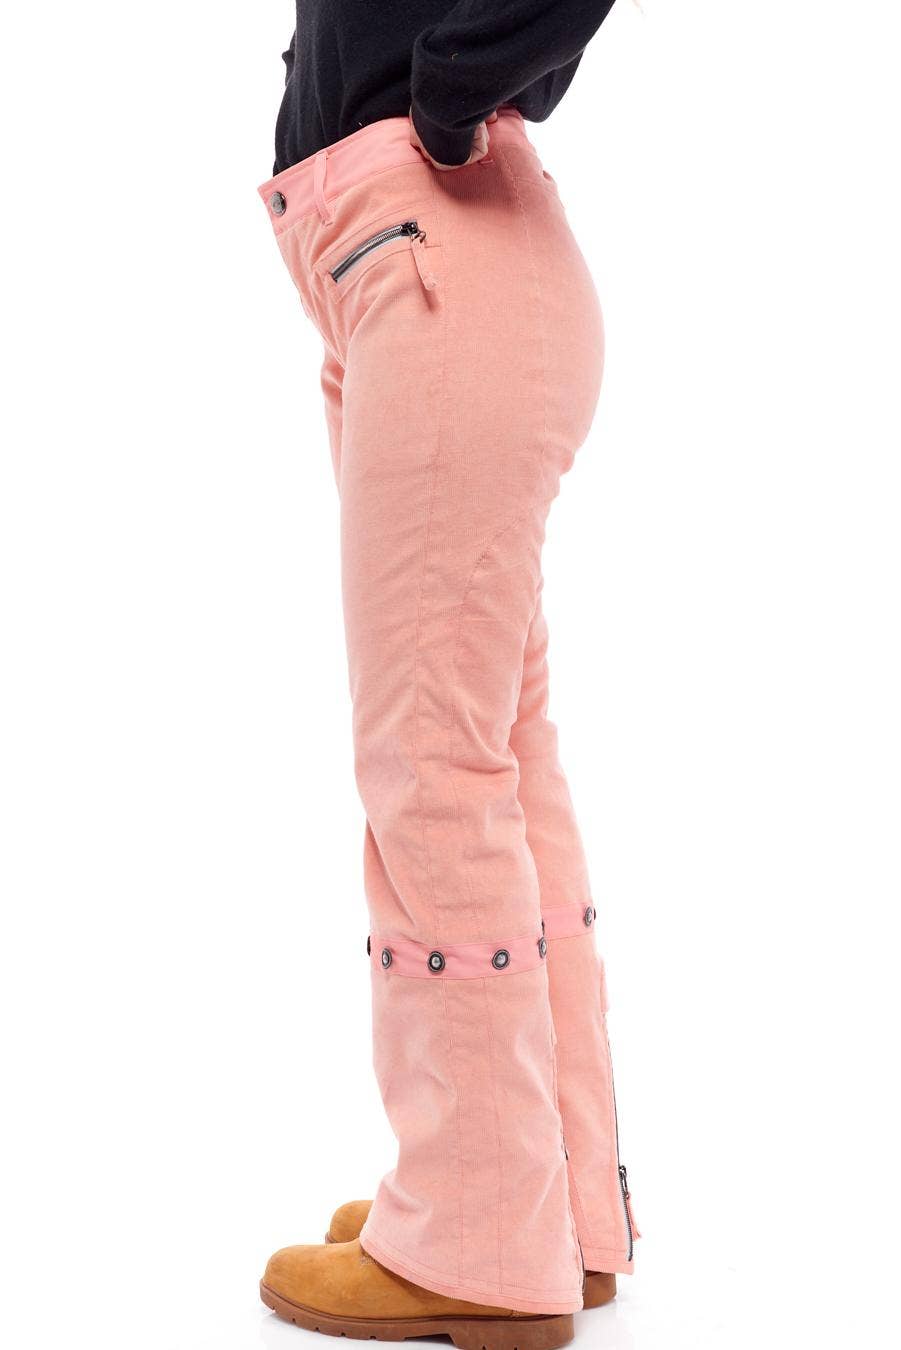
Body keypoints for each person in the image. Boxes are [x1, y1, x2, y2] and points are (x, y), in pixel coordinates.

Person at [257, 4, 638, 1347]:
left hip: (431, 255)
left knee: (431, 760)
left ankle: (474, 1231)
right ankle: (551, 1207)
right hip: (415, 261)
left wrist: (445, 91)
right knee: (496, 753)